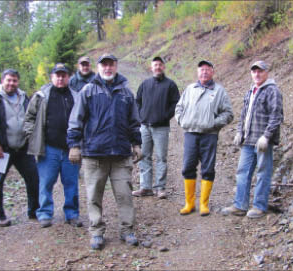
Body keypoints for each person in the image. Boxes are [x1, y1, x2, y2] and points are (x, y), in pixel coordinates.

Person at [67, 53, 142, 250]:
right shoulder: (88, 91)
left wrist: (136, 144)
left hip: (120, 154)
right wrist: (74, 145)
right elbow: (76, 120)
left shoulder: (126, 93)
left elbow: (134, 122)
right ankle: (97, 232)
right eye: (104, 65)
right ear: (98, 68)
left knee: (125, 195)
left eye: (111, 65)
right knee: (93, 196)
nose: (107, 68)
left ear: (116, 67)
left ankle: (127, 230)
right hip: (94, 154)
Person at [222, 61, 283, 219]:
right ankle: (240, 205)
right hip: (248, 140)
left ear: (266, 72)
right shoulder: (251, 91)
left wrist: (267, 136)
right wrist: (239, 132)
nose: (257, 74)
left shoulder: (272, 91)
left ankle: (259, 206)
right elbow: (243, 115)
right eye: (254, 71)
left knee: (263, 173)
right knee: (242, 172)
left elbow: (276, 116)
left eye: (260, 71)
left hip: (263, 142)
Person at [24, 63, 82, 228]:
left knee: (71, 183)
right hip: (48, 148)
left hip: (71, 148)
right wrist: (32, 137)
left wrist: (79, 144)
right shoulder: (41, 96)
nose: (61, 78)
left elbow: (83, 119)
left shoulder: (76, 96)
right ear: (52, 77)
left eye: (64, 75)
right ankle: (45, 213)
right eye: (57, 75)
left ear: (68, 77)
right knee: (46, 182)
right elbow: (29, 118)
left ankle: (72, 214)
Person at [175, 60, 233, 216]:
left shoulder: (220, 91)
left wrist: (213, 124)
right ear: (197, 72)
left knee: (208, 169)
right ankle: (189, 203)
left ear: (212, 72)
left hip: (210, 135)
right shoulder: (189, 89)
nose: (204, 72)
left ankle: (204, 204)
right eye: (201, 70)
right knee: (188, 167)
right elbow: (179, 108)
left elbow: (228, 114)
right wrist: (182, 120)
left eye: (208, 69)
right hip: (190, 134)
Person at [0, 69, 39, 227]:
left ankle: (34, 210)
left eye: (14, 80)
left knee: (34, 179)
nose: (11, 83)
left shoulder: (23, 97)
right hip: (2, 149)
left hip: (23, 148)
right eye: (8, 80)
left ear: (18, 82)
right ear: (2, 80)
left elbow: (31, 118)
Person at [132, 56, 180, 199]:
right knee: (143, 156)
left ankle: (160, 188)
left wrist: (165, 116)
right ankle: (145, 187)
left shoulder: (170, 85)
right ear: (151, 67)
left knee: (161, 158)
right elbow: (137, 101)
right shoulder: (145, 84)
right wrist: (140, 116)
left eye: (160, 65)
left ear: (163, 67)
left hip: (161, 128)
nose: (158, 67)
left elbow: (176, 103)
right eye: (155, 65)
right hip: (145, 127)